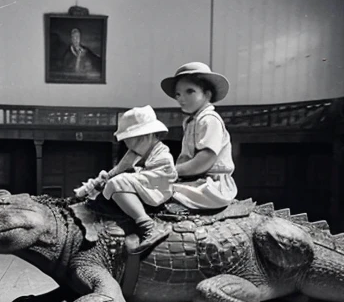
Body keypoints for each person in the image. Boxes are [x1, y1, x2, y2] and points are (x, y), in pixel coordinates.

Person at [74, 105, 177, 251]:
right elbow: (118, 170)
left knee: (118, 183)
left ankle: (147, 224)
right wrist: (103, 180)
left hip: (158, 184)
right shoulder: (136, 153)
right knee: (115, 181)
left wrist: (123, 177)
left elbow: (156, 175)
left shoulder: (163, 156)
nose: (126, 144)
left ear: (145, 136)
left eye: (130, 139)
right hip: (145, 180)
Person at [160, 62, 238, 209]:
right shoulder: (191, 121)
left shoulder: (209, 119)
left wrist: (174, 171)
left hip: (211, 185)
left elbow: (206, 158)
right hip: (194, 179)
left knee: (155, 193)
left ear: (207, 95)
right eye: (178, 94)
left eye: (190, 91)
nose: (181, 98)